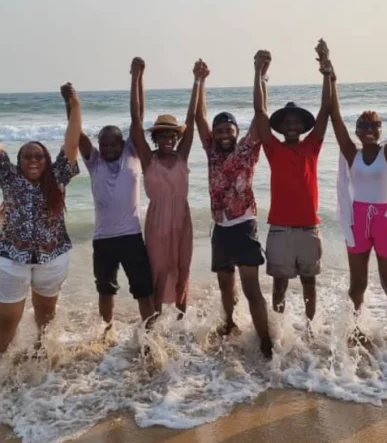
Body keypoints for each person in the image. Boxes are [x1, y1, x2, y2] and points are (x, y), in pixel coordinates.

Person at [195, 61, 273, 359]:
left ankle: (265, 339)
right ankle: (229, 324)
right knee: (225, 282)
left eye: (228, 129)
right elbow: (199, 116)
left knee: (251, 288)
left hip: (244, 226)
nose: (223, 133)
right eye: (219, 130)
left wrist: (258, 74)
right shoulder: (212, 151)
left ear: (236, 132)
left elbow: (260, 115)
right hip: (220, 229)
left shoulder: (248, 149)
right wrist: (200, 82)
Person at [253, 40, 332, 329]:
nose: (292, 126)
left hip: (309, 227)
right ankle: (279, 331)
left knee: (310, 284)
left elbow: (325, 109)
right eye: (287, 122)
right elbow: (260, 114)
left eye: (296, 122)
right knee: (280, 286)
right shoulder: (274, 149)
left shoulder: (312, 146)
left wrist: (326, 68)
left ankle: (311, 331)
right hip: (280, 229)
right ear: (281, 127)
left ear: (303, 126)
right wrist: (258, 74)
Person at [0, 83, 81, 355]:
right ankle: (4, 372)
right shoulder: (9, 177)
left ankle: (39, 370)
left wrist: (74, 103)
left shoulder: (57, 177)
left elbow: (72, 141)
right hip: (11, 260)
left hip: (52, 259)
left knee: (45, 322)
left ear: (47, 160)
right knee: (6, 322)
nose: (32, 160)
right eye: (26, 156)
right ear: (18, 160)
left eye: (38, 156)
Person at [78, 61, 155, 333]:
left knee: (143, 290)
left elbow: (138, 117)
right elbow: (77, 133)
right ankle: (106, 334)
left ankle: (149, 334)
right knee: (106, 290)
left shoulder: (131, 155)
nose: (109, 148)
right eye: (104, 144)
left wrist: (136, 77)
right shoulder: (94, 163)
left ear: (122, 144)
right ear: (99, 146)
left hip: (131, 236)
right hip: (103, 240)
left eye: (114, 143)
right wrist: (72, 104)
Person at [129, 57, 201, 315]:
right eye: (162, 136)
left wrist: (197, 81)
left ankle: (182, 326)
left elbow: (192, 119)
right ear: (155, 139)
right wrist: (136, 78)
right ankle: (155, 326)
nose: (168, 139)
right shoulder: (149, 160)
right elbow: (136, 122)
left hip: (182, 220)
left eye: (172, 135)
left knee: (182, 270)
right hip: (157, 223)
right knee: (158, 271)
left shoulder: (182, 157)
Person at [333, 67, 387, 340]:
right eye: (363, 125)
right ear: (357, 131)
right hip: (358, 220)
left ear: (381, 129)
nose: (369, 129)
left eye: (374, 125)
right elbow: (335, 119)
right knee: (357, 285)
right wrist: (331, 79)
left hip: (385, 221)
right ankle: (354, 331)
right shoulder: (352, 153)